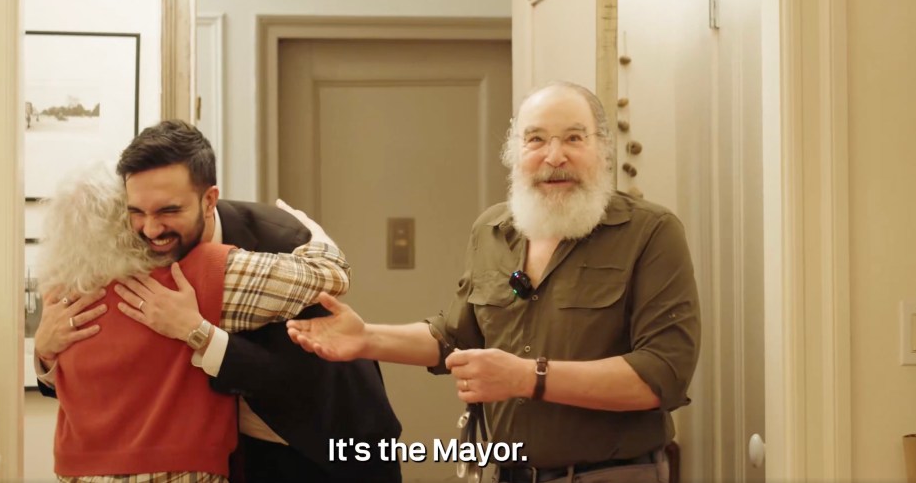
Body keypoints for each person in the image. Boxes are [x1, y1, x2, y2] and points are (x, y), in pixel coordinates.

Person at [287, 81, 701, 483]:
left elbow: (662, 374)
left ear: (603, 150)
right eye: (536, 139)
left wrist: (528, 378)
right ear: (515, 152)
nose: (554, 155)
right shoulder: (492, 229)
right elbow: (455, 338)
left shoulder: (651, 232)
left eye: (574, 138)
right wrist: (366, 339)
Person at [34, 120, 402, 483]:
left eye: (168, 211)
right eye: (136, 212)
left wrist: (196, 331)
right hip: (246, 451)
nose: (151, 229)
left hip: (328, 439)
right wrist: (46, 354)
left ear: (209, 200)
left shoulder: (276, 241)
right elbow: (102, 378)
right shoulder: (141, 266)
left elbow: (289, 363)